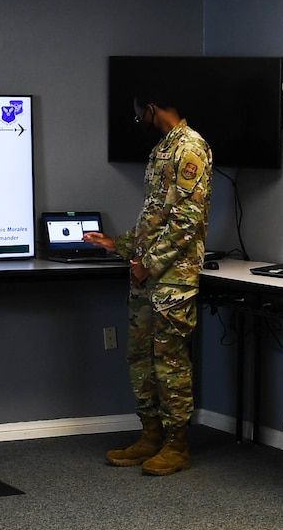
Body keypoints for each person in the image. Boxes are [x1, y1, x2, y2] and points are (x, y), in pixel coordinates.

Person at [85, 89, 212, 475]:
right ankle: (151, 435)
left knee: (170, 363)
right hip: (146, 275)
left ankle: (177, 445)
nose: (137, 118)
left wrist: (150, 264)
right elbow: (154, 216)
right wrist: (118, 244)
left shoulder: (190, 148)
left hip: (172, 280)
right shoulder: (162, 149)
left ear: (151, 108)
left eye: (139, 111)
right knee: (141, 358)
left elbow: (188, 220)